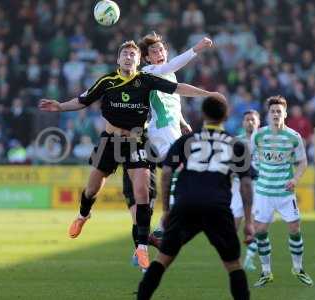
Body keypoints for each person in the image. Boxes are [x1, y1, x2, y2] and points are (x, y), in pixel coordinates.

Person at [38, 40, 226, 271]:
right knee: (92, 189)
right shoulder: (107, 81)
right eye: (125, 54)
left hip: (136, 140)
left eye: (132, 55)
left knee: (142, 193)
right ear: (118, 59)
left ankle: (142, 248)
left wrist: (208, 94)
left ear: (139, 61)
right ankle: (83, 215)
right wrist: (59, 106)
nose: (128, 57)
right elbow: (82, 101)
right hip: (110, 142)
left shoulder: (145, 79)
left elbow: (177, 89)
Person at [137, 96, 254, 300]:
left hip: (186, 204)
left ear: (203, 115)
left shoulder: (187, 140)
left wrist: (166, 211)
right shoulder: (236, 145)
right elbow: (245, 184)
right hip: (217, 206)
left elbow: (166, 172)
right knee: (233, 264)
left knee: (163, 258)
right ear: (226, 116)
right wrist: (249, 221)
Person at [123, 32, 213, 264]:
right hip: (160, 133)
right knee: (182, 174)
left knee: (174, 179)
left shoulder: (168, 74)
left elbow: (173, 103)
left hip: (171, 131)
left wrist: (183, 122)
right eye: (154, 52)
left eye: (162, 50)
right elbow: (174, 65)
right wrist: (197, 48)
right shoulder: (150, 72)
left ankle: (144, 244)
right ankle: (163, 228)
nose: (160, 54)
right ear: (146, 58)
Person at [250, 95, 313, 287]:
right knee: (260, 231)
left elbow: (303, 162)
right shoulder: (258, 135)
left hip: (285, 193)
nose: (276, 114)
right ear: (268, 114)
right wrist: (256, 172)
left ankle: (298, 268)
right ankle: (266, 272)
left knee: (294, 228)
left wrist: (295, 178)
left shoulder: (293, 137)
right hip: (263, 193)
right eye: (273, 111)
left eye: (279, 111)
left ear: (285, 113)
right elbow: (250, 158)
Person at [230, 110, 260, 272]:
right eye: (247, 119)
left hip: (257, 186)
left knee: (255, 224)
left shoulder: (263, 142)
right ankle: (233, 259)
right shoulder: (236, 142)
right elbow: (228, 163)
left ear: (258, 123)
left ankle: (249, 259)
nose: (250, 122)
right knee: (233, 225)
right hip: (237, 186)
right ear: (242, 123)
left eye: (253, 120)